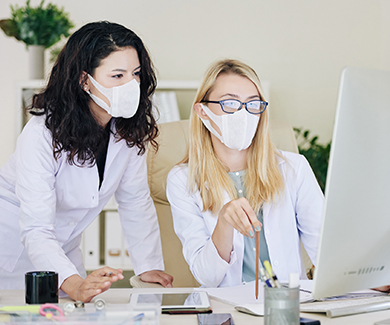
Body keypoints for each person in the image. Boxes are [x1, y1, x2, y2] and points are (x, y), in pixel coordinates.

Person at [0, 21, 173, 301]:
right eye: (117, 75)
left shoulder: (126, 131)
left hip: (63, 248)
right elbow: (36, 228)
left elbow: (135, 201)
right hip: (10, 248)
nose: (131, 85)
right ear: (84, 80)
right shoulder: (41, 134)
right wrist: (74, 284)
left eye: (136, 73)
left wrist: (148, 266)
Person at [166, 59, 324, 287]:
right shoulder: (183, 179)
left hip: (286, 306)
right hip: (228, 310)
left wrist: (365, 281)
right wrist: (224, 222)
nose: (243, 114)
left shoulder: (293, 167)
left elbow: (324, 249)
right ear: (202, 111)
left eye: (253, 104)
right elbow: (207, 277)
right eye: (229, 103)